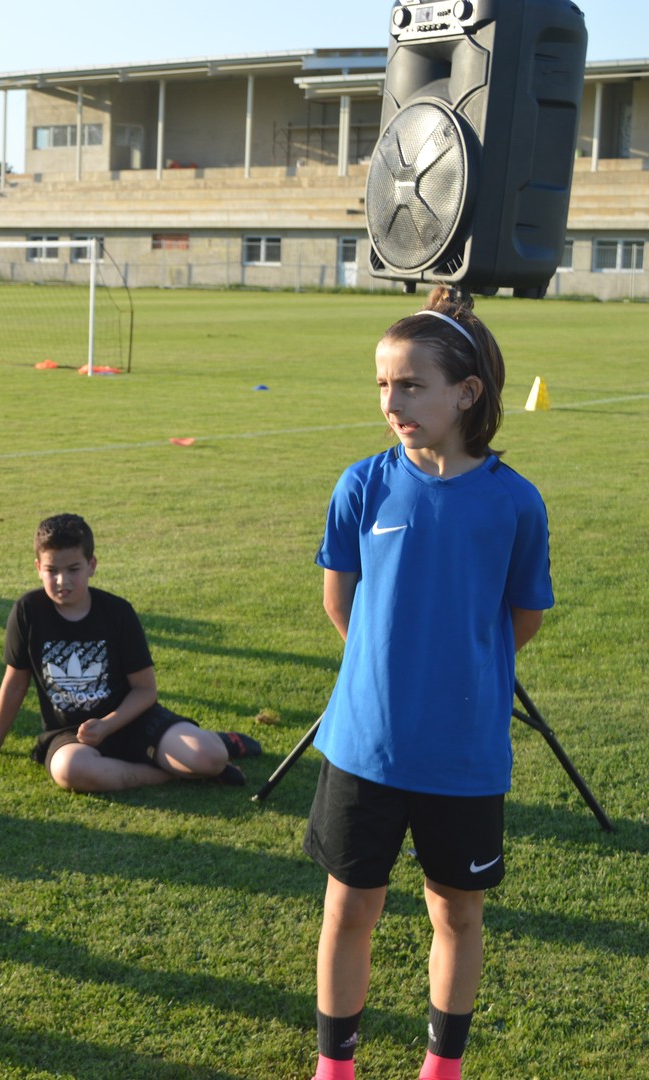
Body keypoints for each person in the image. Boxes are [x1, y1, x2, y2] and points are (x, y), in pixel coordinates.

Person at [305, 287, 552, 1080]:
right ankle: (334, 1066)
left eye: (411, 385)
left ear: (466, 393)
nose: (392, 402)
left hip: (462, 756)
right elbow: (340, 600)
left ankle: (440, 1068)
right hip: (364, 747)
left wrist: (457, 674)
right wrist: (389, 665)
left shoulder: (515, 503)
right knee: (350, 909)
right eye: (382, 385)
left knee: (457, 913)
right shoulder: (362, 484)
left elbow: (522, 618)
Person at [0, 513, 260, 790]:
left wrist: (108, 724)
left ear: (91, 565)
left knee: (209, 756)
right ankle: (173, 773)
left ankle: (218, 747)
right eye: (52, 570)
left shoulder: (117, 612)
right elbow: (15, 683)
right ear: (38, 568)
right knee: (69, 771)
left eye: (73, 569)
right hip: (72, 734)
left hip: (132, 720)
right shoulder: (28, 611)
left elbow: (145, 691)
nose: (62, 580)